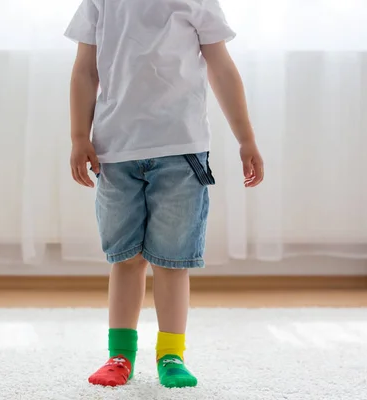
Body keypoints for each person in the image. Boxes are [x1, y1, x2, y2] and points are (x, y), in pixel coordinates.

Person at [65, 0, 264, 389]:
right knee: (126, 258)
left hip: (181, 152)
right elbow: (85, 71)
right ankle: (119, 356)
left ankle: (171, 354)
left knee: (173, 261)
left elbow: (222, 69)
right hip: (116, 153)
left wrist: (247, 139)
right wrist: (78, 136)